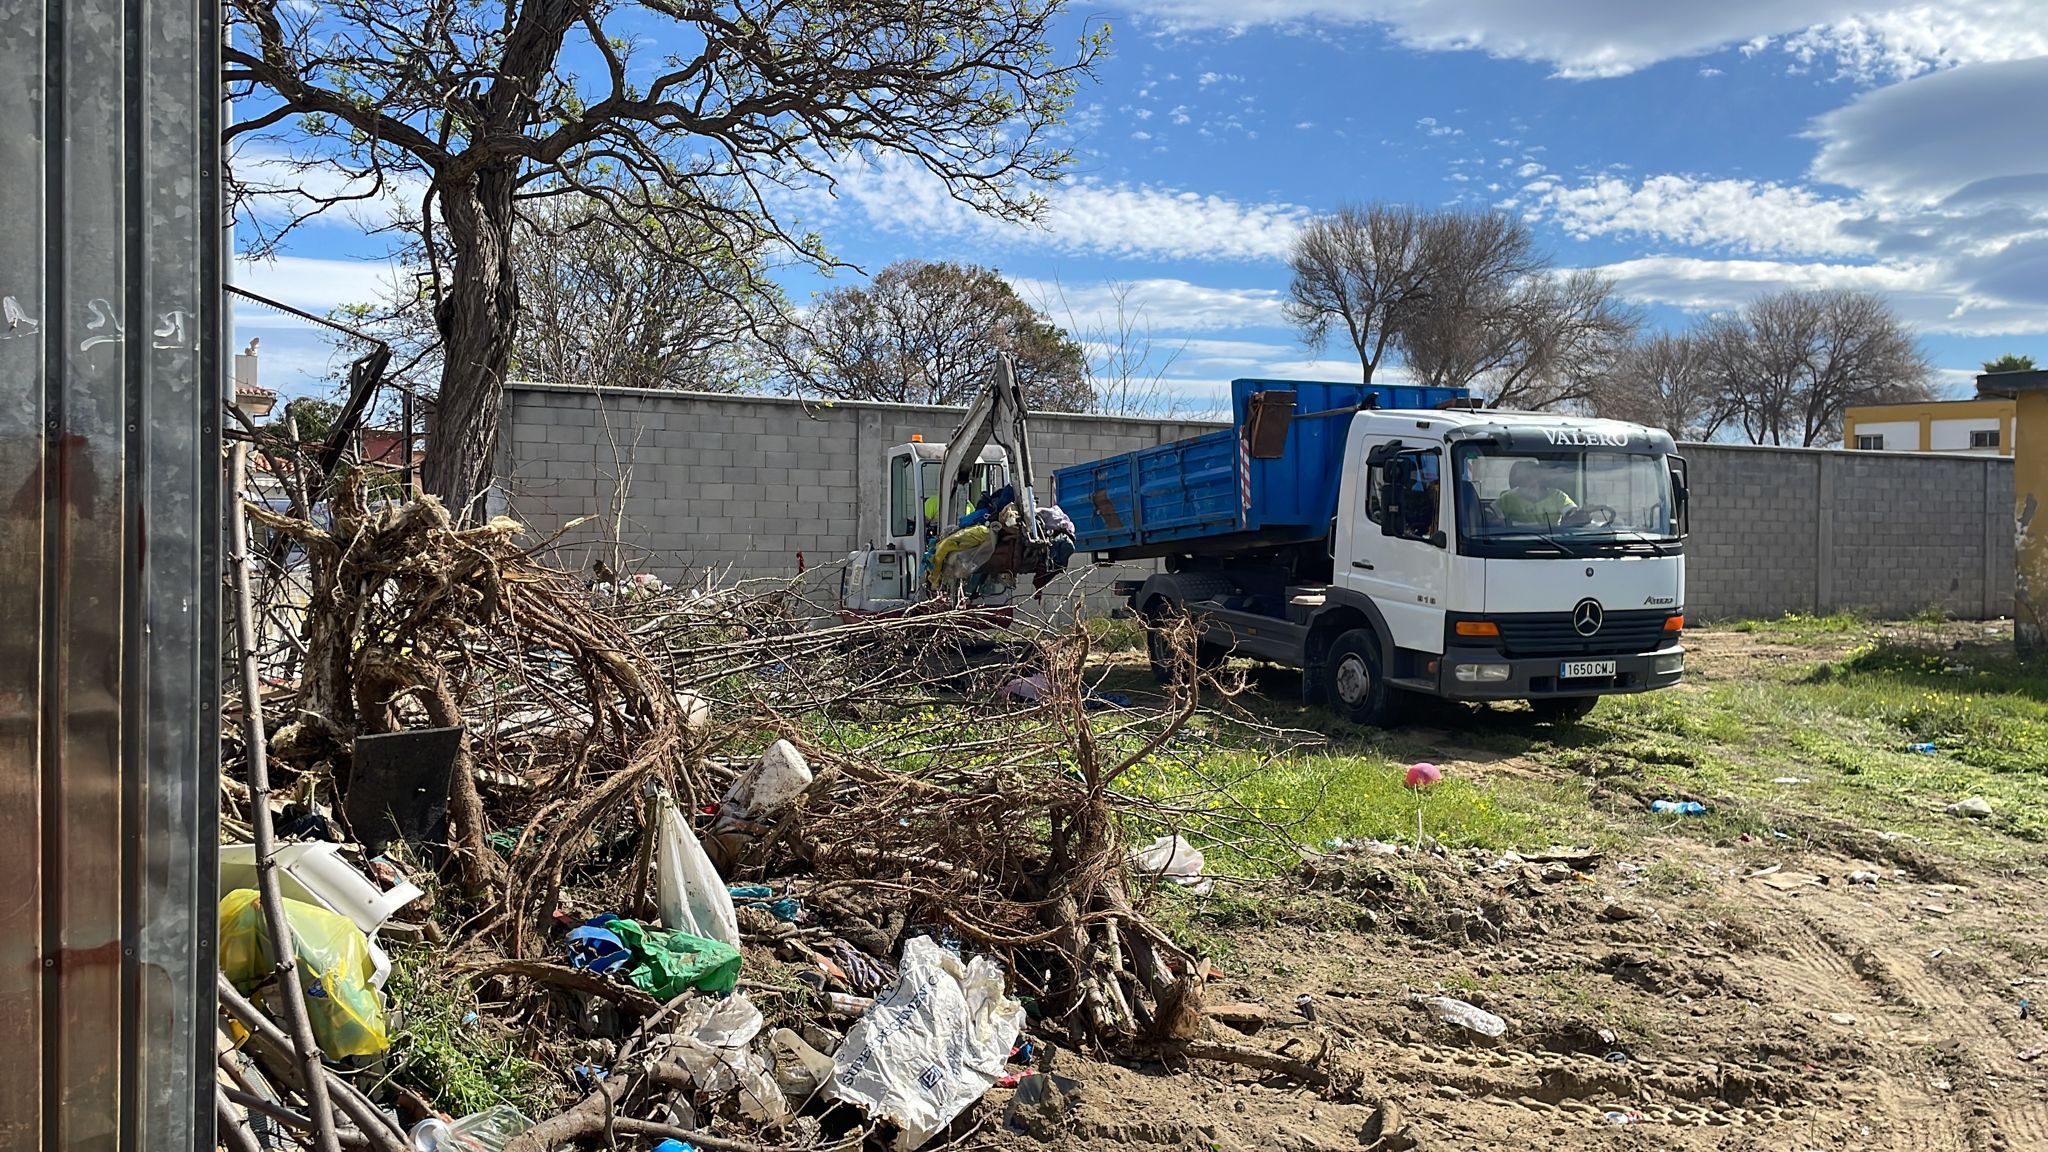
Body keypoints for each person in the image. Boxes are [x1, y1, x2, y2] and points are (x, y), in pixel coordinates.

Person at [1496, 460, 1576, 526]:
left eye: (1535, 475)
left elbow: (1574, 513)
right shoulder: (1509, 498)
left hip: (1555, 542)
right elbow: (1490, 515)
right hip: (1515, 542)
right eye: (1526, 477)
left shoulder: (1558, 496)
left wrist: (1582, 514)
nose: (1531, 480)